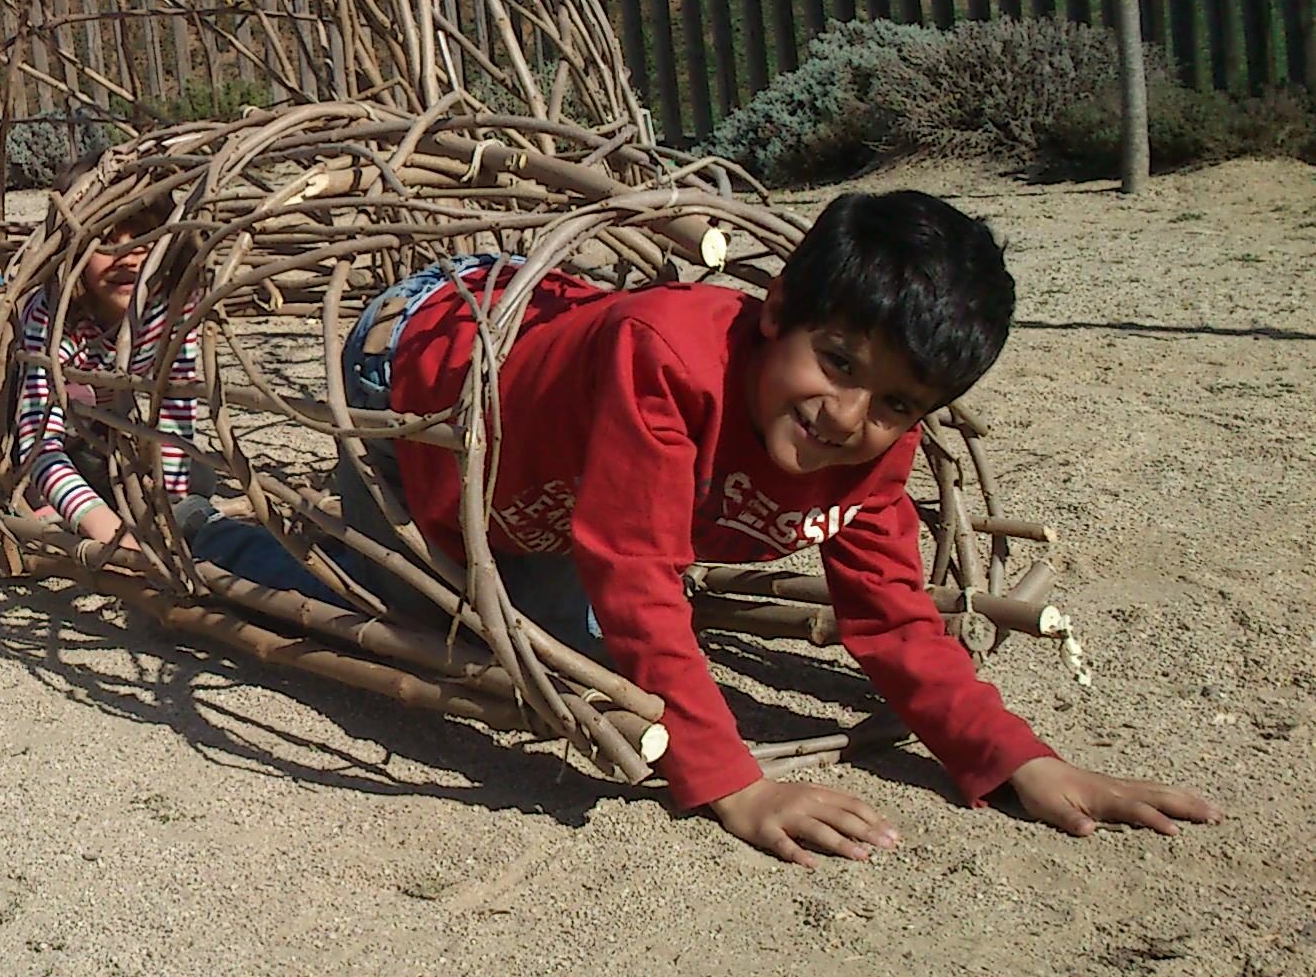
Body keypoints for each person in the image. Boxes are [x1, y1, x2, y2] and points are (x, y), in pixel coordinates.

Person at [340, 190, 1223, 868]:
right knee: (424, 607)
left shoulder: (870, 446)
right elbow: (638, 572)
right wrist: (735, 784)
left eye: (896, 403)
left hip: (554, 448)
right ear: (775, 311)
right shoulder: (665, 363)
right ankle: (238, 539)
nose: (848, 416)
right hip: (426, 357)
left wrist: (1018, 760)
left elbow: (890, 615)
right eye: (837, 362)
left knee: (592, 643)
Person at [0, 198, 337, 599]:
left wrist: (166, 505)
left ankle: (76, 483)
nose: (127, 255)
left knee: (193, 477)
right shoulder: (51, 314)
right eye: (106, 241)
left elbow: (174, 409)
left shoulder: (171, 308)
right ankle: (16, 483)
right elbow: (39, 443)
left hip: (97, 406)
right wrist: (110, 533)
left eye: (144, 238)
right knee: (69, 412)